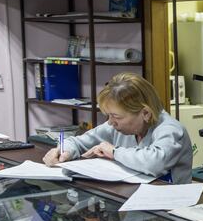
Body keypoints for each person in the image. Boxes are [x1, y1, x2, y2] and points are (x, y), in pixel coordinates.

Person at [43, 73, 193, 184]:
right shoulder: (116, 127)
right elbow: (78, 142)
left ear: (145, 113)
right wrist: (63, 150)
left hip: (171, 209)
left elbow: (154, 162)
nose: (110, 123)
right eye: (108, 115)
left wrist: (114, 152)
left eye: (116, 116)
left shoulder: (171, 130)